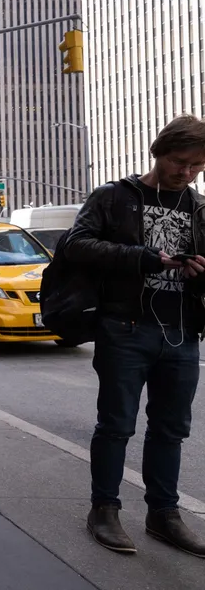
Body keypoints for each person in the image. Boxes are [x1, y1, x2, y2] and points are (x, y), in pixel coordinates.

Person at [61, 114, 205, 557]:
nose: (187, 173)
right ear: (158, 152)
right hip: (125, 328)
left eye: (197, 165)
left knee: (171, 429)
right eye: (180, 162)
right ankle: (104, 510)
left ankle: (164, 514)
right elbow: (73, 244)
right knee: (116, 425)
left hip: (182, 332)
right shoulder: (115, 197)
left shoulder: (200, 208)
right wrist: (141, 258)